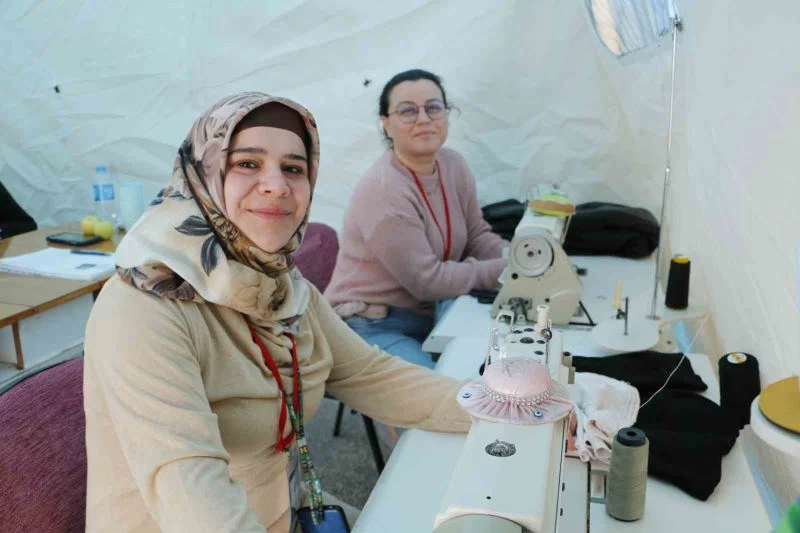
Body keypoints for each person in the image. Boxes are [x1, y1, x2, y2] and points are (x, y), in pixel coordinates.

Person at [82, 92, 471, 533]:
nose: (277, 185)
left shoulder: (279, 283)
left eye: (293, 168)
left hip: (287, 513)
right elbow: (191, 493)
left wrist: (512, 405)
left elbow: (371, 375)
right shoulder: (141, 308)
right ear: (204, 174)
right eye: (247, 163)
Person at [324, 69, 508, 369]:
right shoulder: (385, 191)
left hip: (428, 313)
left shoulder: (453, 165)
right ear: (386, 123)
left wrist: (517, 256)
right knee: (437, 400)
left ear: (447, 114)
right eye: (408, 111)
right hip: (369, 324)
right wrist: (508, 270)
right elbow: (428, 281)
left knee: (501, 366)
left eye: (433, 107)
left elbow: (477, 235)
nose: (424, 119)